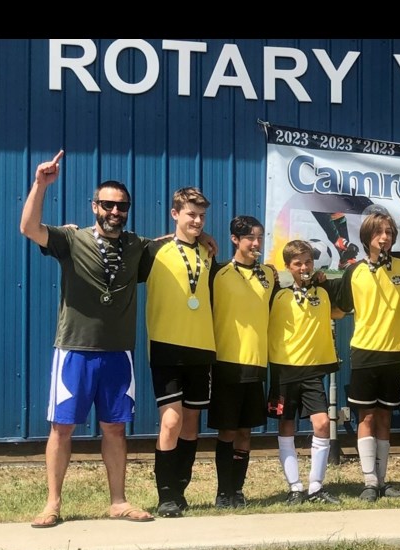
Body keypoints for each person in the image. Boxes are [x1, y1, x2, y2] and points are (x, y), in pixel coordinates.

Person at [20, 150, 155, 527]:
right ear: (94, 206)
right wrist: (40, 185)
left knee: (115, 428)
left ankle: (118, 502)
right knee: (62, 428)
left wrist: (204, 236)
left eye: (122, 206)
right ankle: (52, 504)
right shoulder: (70, 238)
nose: (115, 212)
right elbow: (29, 228)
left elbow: (171, 243)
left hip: (118, 353)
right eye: (108, 205)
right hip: (74, 350)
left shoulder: (136, 246)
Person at [336, 204, 400, 501]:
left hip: (395, 354)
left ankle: (383, 482)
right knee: (366, 418)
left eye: (389, 232)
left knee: (385, 418)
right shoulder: (354, 271)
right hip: (365, 353)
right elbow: (339, 308)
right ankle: (369, 482)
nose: (385, 237)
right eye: (379, 232)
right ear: (367, 235)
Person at [146, 187, 216, 517]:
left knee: (191, 424)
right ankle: (165, 493)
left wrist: (205, 238)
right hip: (166, 346)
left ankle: (181, 488)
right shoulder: (153, 250)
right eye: (191, 214)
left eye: (202, 216)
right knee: (171, 421)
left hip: (202, 346)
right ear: (175, 214)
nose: (197, 221)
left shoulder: (208, 252)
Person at [207, 216, 278, 508]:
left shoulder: (269, 275)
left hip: (257, 364)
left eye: (259, 237)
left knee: (246, 432)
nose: (256, 243)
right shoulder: (219, 273)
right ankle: (223, 492)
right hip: (226, 363)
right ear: (235, 240)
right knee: (227, 431)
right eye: (250, 238)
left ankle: (238, 489)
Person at [268, 240, 345, 504]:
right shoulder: (277, 294)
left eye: (308, 262)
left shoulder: (323, 290)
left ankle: (315, 487)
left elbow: (342, 310)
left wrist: (325, 281)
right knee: (286, 424)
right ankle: (295, 487)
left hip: (313, 370)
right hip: (284, 370)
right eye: (298, 263)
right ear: (288, 266)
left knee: (322, 424)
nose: (304, 267)